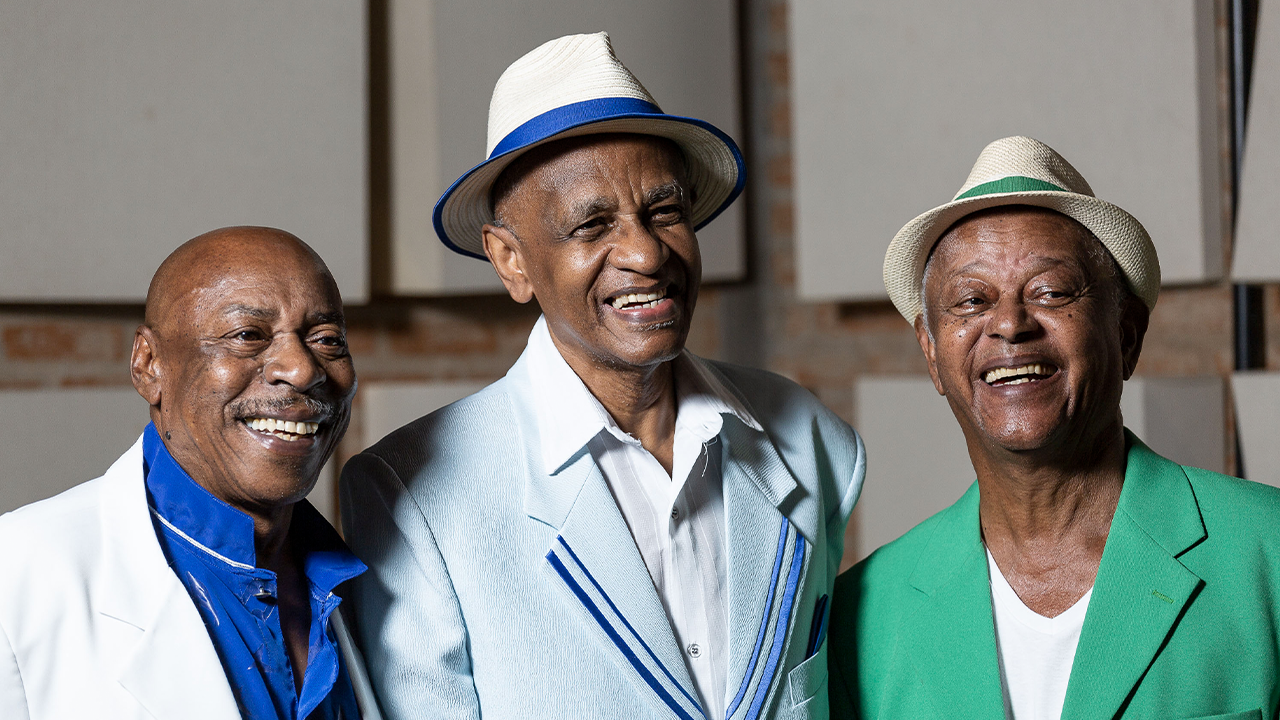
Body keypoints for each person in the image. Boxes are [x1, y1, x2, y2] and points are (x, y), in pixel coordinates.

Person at [340, 32, 864, 720]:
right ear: (511, 261)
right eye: (592, 225)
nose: (646, 253)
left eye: (665, 212)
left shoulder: (810, 437)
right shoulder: (412, 496)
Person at [828, 136, 1280, 719]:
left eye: (1051, 291)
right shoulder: (861, 617)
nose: (1010, 324)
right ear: (932, 353)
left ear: (1126, 334)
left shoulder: (1267, 553)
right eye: (971, 301)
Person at [0, 227, 381, 719]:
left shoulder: (373, 581)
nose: (302, 370)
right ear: (149, 365)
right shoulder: (16, 576)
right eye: (248, 335)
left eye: (327, 340)